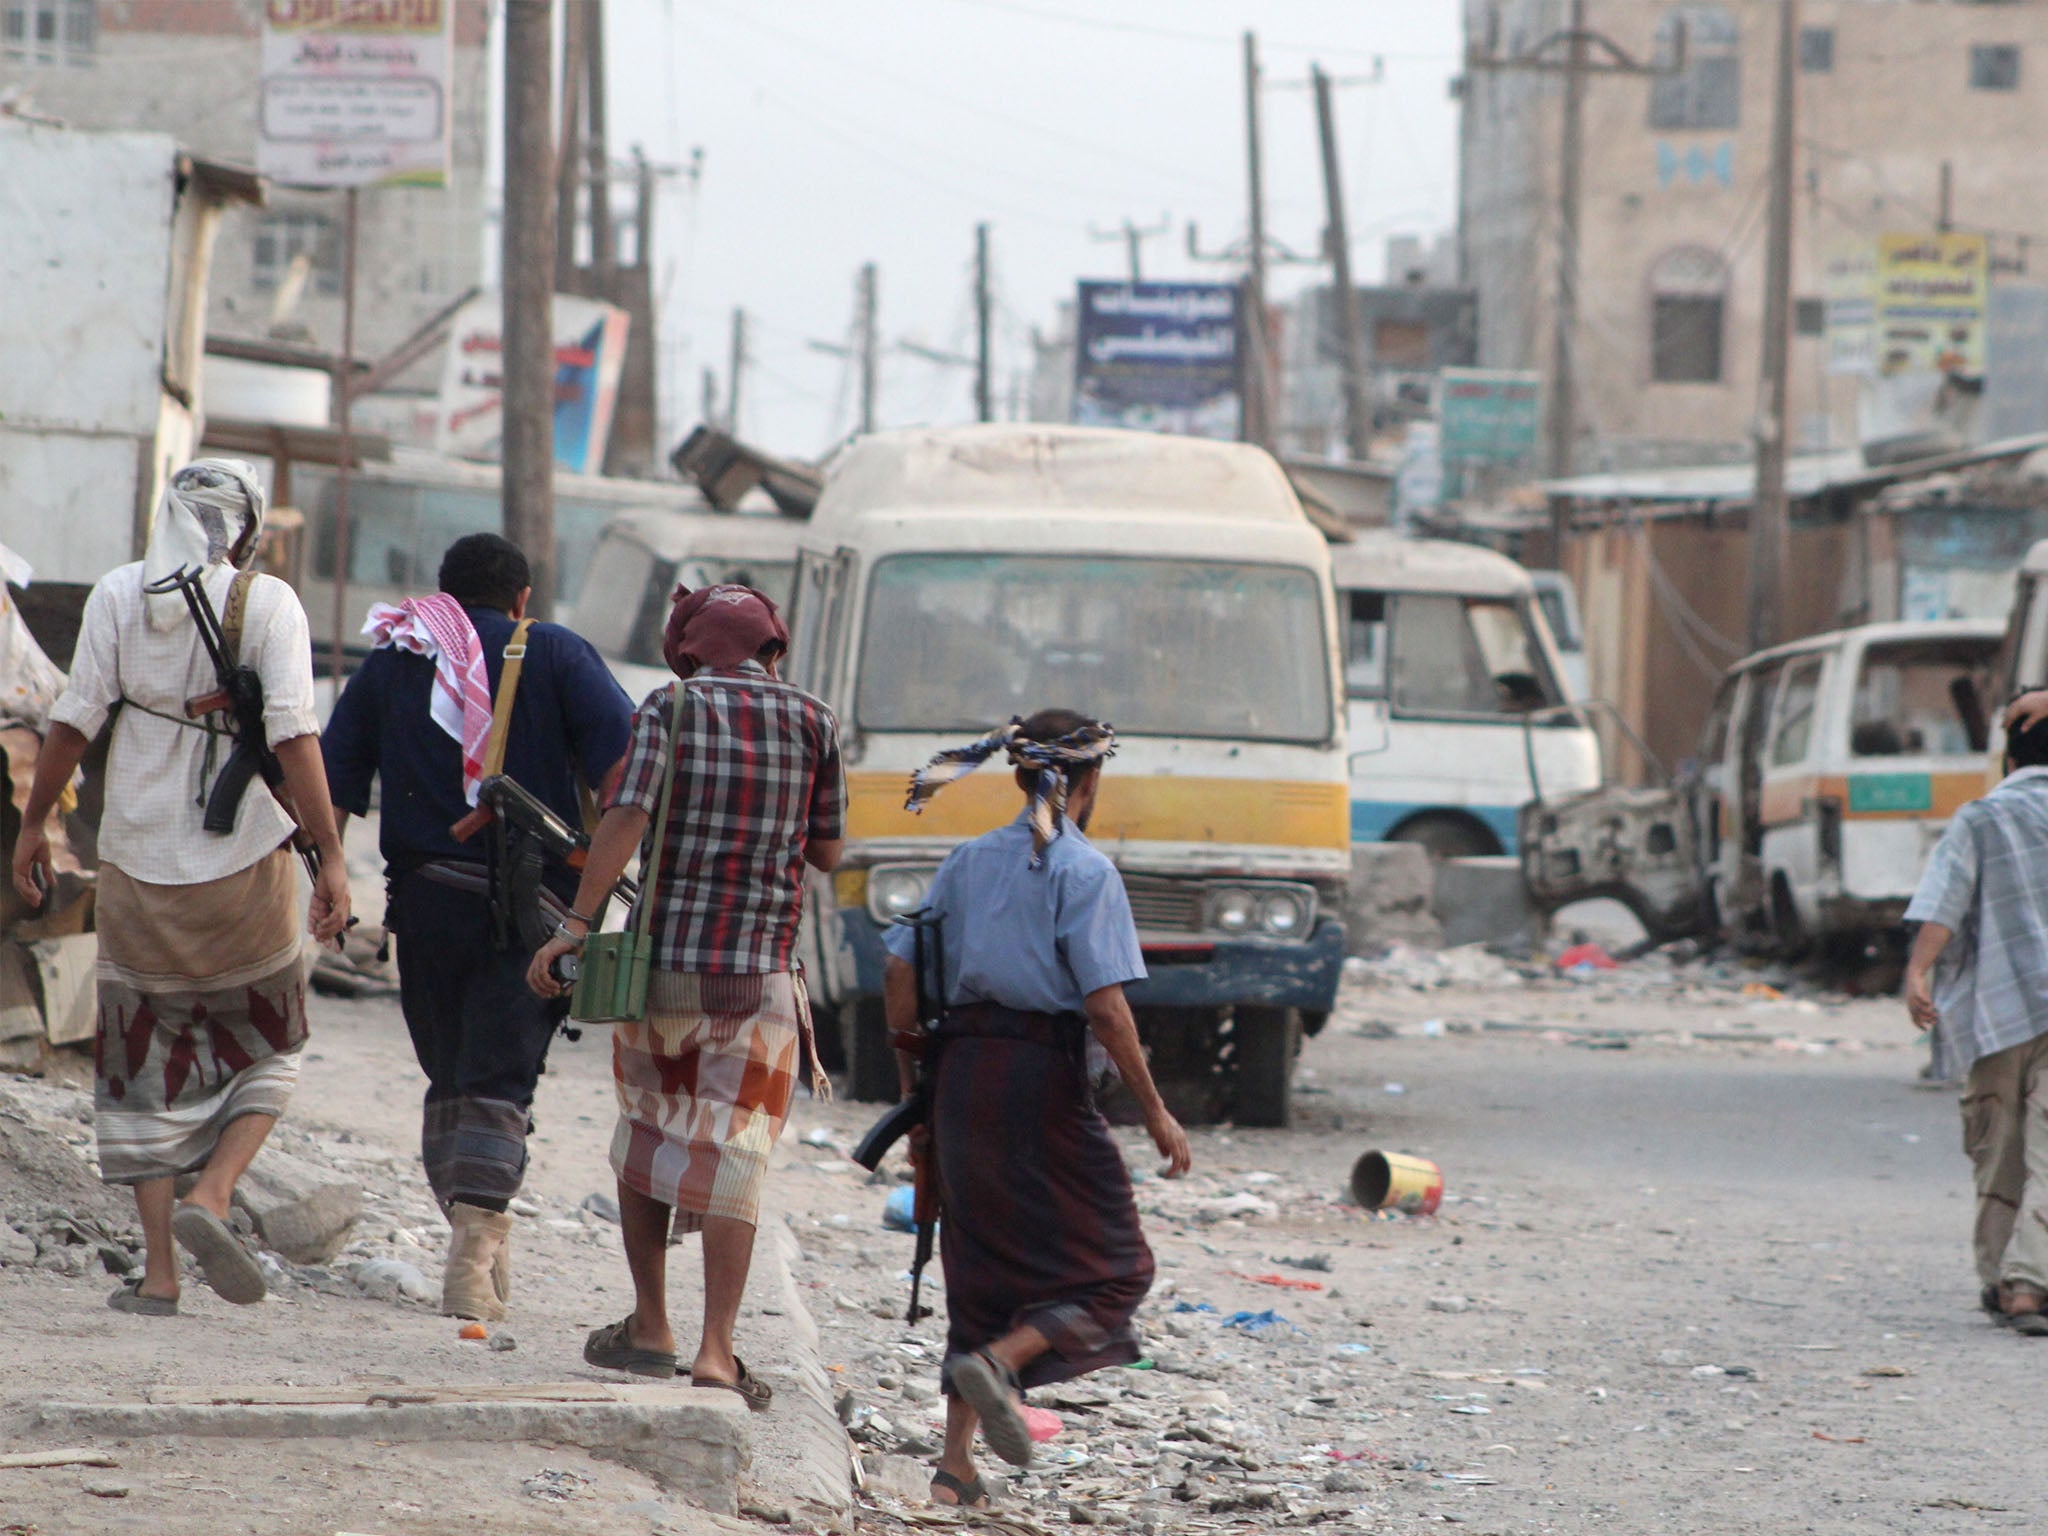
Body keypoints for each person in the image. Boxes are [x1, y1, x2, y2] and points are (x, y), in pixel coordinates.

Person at [10, 460, 350, 1314]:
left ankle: (159, 1274)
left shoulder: (118, 595)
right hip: (245, 871)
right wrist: (334, 857)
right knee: (271, 1040)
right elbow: (297, 738)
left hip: (135, 861)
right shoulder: (268, 604)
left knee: (141, 1058)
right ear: (248, 529)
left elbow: (73, 720)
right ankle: (218, 1190)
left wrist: (31, 825)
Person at [528, 583, 844, 1406]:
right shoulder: (816, 721)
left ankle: (650, 1324)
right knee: (737, 1156)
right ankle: (716, 1350)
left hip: (661, 973)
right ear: (772, 649)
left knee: (646, 1132)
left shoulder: (669, 709)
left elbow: (625, 818)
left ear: (692, 649)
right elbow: (830, 852)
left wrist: (573, 928)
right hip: (762, 980)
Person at [882, 709, 1192, 1509]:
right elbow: (1108, 1009)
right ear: (1088, 783)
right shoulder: (1084, 872)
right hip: (1038, 1079)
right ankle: (1003, 1362)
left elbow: (897, 979)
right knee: (1118, 1268)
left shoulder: (966, 862)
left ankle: (953, 1472)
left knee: (977, 1264)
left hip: (957, 1073)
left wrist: (918, 1101)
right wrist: (1156, 1112)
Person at [321, 533, 632, 1321]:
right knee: (500, 1081)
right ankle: (472, 1252)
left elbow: (335, 783)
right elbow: (629, 775)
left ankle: (477, 1241)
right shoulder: (557, 653)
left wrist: (326, 873)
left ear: (445, 591)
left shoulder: (395, 656)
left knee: (453, 1076)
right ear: (522, 599)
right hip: (537, 913)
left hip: (423, 907)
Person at [1904, 709, 2048, 1336]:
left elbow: (1945, 902)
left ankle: (2001, 1279)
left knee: (1999, 1145)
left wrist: (1918, 973)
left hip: (1999, 1011)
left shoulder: (1983, 817)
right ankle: (2029, 1284)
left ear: (2010, 761)